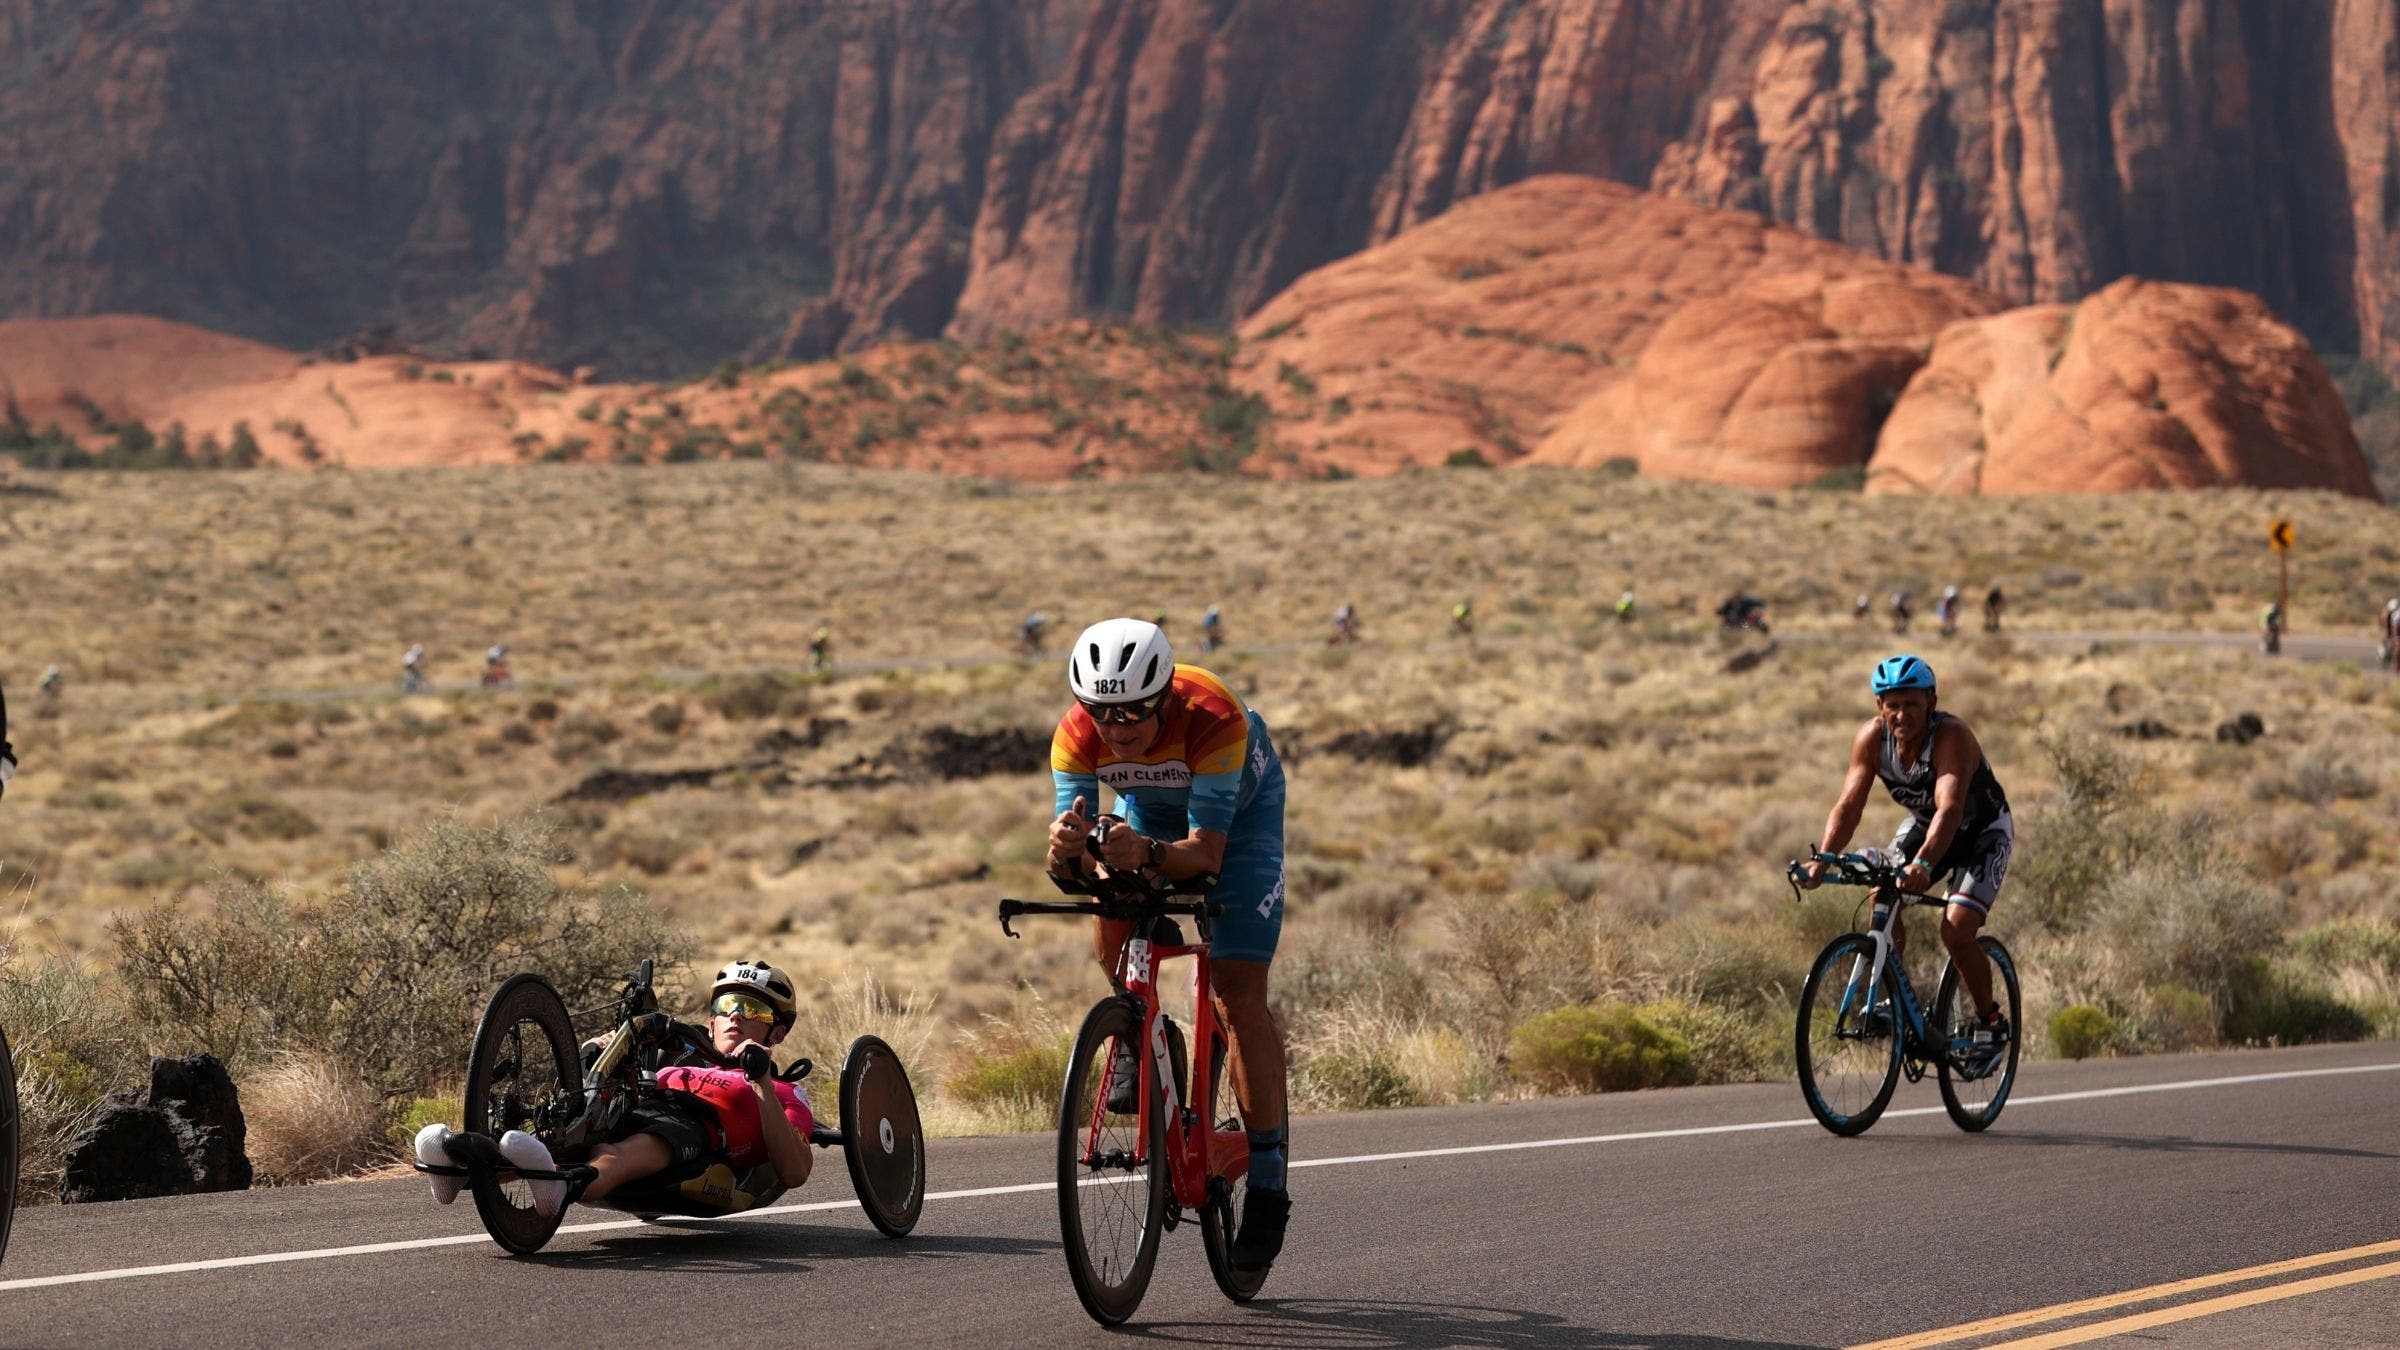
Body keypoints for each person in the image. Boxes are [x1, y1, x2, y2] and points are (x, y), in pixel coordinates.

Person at [1046, 617, 1292, 1272]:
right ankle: (1144, 1029)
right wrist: (1069, 857)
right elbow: (1079, 850)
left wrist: (1149, 853)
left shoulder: (1211, 714)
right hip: (1151, 821)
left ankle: (1268, 1184)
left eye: (1132, 712)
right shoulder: (1074, 735)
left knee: (1237, 993)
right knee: (1111, 899)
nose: (1117, 726)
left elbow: (1205, 855)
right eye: (1103, 712)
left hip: (1237, 829)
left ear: (1163, 697)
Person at [416, 960, 813, 1218]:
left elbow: (794, 1170)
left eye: (753, 1010)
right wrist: (606, 1046)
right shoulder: (681, 1053)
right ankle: (456, 1168)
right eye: (727, 1005)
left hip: (694, 1132)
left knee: (617, 1149)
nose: (735, 1017)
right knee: (563, 1133)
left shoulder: (783, 1091)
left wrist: (759, 1077)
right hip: (635, 1103)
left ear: (776, 1031)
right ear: (711, 1021)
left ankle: (562, 1188)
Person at [1797, 656, 2014, 1078]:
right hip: (1924, 826)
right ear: (1880, 707)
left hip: (1981, 832)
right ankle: (1893, 996)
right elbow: (1849, 806)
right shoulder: (1871, 740)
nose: (1901, 714)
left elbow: (1950, 809)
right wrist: (1822, 859)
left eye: (1911, 704)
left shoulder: (1952, 736)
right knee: (1883, 894)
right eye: (1892, 704)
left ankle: (1991, 1024)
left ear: (1931, 701)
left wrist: (1924, 865)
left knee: (1956, 928)